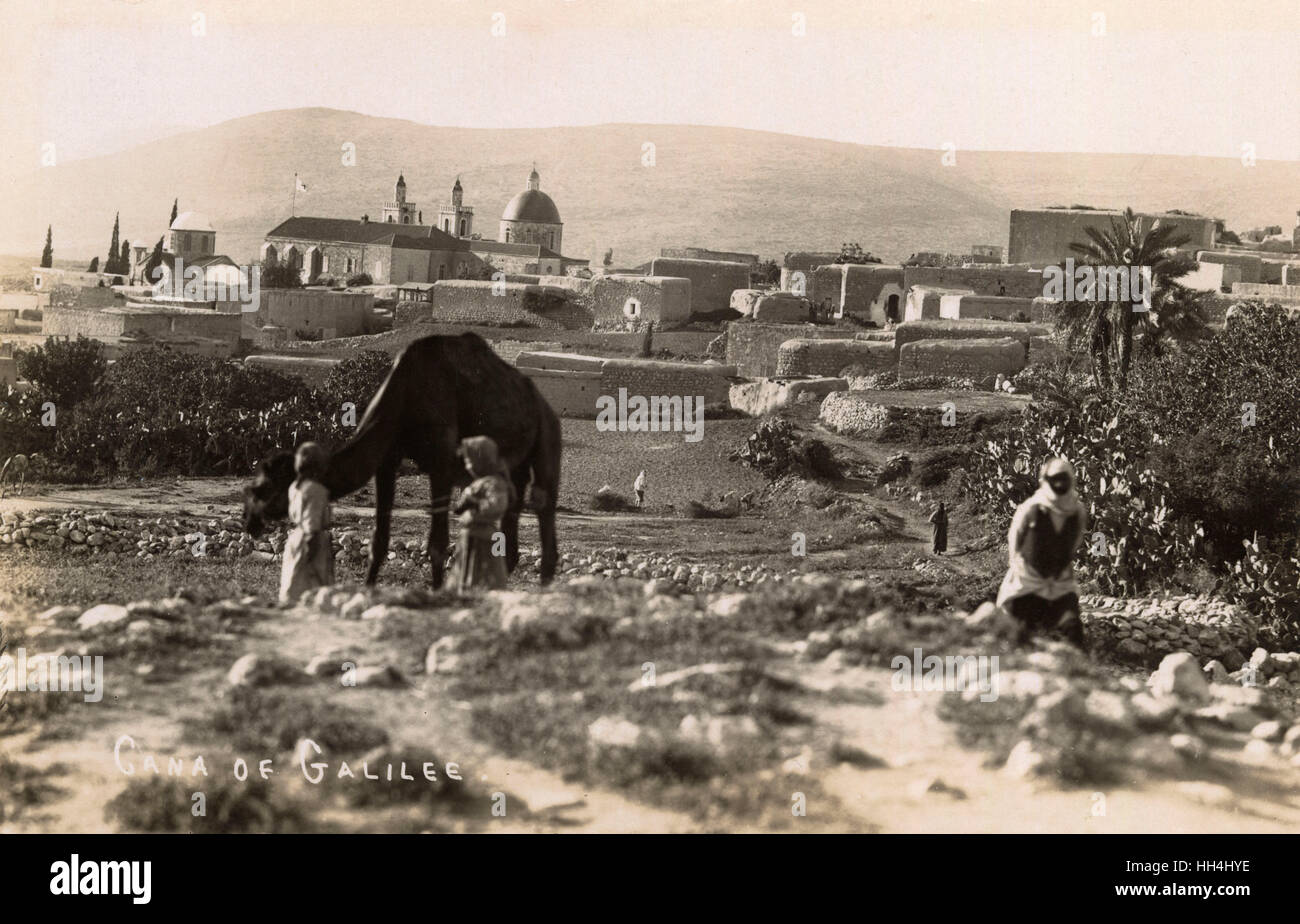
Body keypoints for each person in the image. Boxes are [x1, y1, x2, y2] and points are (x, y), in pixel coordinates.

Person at [996, 457, 1087, 647]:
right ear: (1046, 479)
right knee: (1018, 630)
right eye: (1055, 478)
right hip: (1028, 577)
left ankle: (1076, 670)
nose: (1060, 483)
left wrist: (1059, 561)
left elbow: (1076, 540)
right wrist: (1018, 563)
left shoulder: (1077, 510)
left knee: (1072, 629)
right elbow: (1015, 535)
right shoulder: (1032, 507)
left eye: (1064, 478)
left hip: (1060, 580)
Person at [446, 436, 513, 592]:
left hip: (485, 534)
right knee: (467, 567)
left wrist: (475, 504)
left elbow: (498, 504)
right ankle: (466, 590)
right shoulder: (480, 482)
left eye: (470, 461)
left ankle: (485, 591)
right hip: (472, 533)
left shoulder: (493, 483)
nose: (468, 467)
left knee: (491, 569)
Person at [279, 442, 335, 605]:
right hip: (311, 540)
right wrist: (311, 557)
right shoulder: (316, 491)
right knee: (312, 589)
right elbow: (313, 524)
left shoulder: (295, 487)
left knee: (293, 582)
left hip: (295, 538)